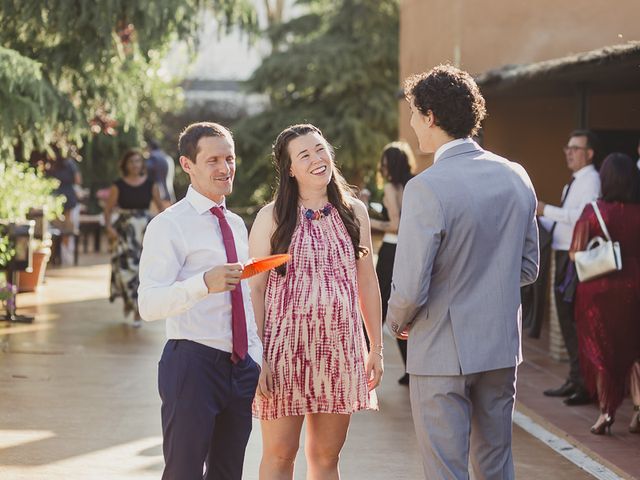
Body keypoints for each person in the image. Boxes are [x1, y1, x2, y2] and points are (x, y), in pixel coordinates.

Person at [386, 65, 539, 479]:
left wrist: (396, 323)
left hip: (439, 347)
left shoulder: (426, 186)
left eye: (416, 113)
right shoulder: (516, 176)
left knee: (445, 470)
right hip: (500, 345)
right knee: (496, 464)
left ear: (431, 116)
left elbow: (412, 287)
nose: (414, 123)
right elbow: (528, 267)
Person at [250, 124, 383, 479]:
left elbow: (366, 281)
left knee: (326, 456)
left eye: (320, 149)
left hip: (339, 350)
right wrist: (256, 355)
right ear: (289, 169)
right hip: (282, 353)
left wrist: (376, 348)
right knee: (280, 454)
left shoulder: (354, 212)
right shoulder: (272, 217)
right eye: (304, 155)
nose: (316, 159)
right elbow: (255, 290)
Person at [138, 122, 262, 479]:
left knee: (228, 472)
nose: (225, 169)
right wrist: (202, 284)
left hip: (240, 367)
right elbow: (149, 304)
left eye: (229, 158)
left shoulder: (237, 224)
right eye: (213, 160)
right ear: (187, 165)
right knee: (184, 472)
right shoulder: (168, 225)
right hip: (192, 364)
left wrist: (256, 357)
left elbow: (244, 298)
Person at [569, 152, 640, 435]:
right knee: (635, 351)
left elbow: (575, 253)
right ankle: (638, 410)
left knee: (601, 354)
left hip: (598, 291)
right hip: (635, 287)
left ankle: (606, 413)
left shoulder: (592, 211)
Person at [538, 130, 601, 406]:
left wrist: (545, 210)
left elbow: (582, 217)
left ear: (589, 154)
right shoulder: (573, 183)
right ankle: (575, 378)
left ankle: (585, 384)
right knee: (565, 320)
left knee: (574, 321)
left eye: (576, 148)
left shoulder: (591, 180)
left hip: (575, 257)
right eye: (568, 147)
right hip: (562, 253)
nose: (569, 152)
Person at [369, 141, 415, 385]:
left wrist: (367, 220)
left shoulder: (390, 187)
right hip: (410, 249)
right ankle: (411, 367)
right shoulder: (415, 183)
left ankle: (366, 362)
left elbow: (395, 225)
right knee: (406, 307)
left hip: (391, 249)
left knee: (382, 306)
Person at [104, 148, 164, 326]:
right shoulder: (118, 185)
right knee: (124, 271)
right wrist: (109, 228)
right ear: (125, 165)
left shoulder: (151, 184)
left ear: (142, 164)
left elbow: (162, 209)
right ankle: (129, 302)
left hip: (144, 233)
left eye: (138, 161)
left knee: (142, 272)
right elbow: (107, 210)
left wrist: (163, 230)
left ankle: (137, 310)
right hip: (124, 232)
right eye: (131, 161)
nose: (135, 164)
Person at [46, 150, 82, 265]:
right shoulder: (69, 163)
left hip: (56, 196)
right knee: (66, 227)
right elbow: (78, 180)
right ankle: (63, 255)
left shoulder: (52, 162)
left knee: (57, 226)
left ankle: (55, 255)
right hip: (66, 196)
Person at [146, 138, 176, 207]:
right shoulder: (168, 157)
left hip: (158, 197)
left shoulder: (153, 158)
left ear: (149, 147)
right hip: (170, 194)